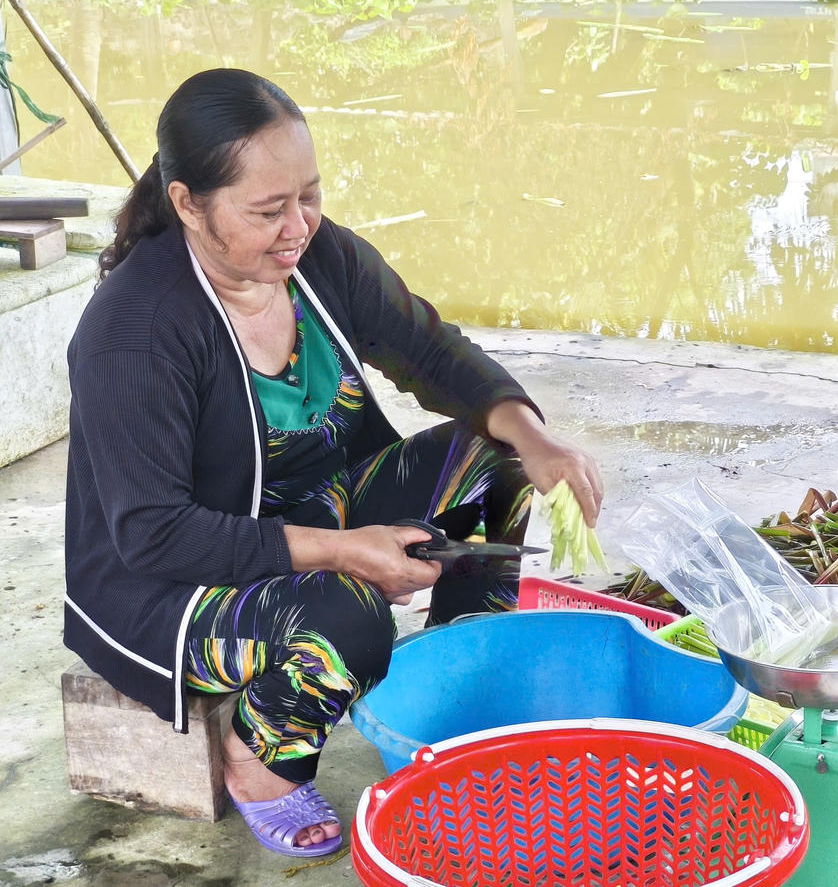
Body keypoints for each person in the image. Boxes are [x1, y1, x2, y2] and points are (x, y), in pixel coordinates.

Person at [65, 69, 603, 858]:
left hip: (307, 510)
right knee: (349, 612)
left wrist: (534, 434)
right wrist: (345, 552)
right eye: (268, 210)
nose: (299, 227)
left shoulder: (321, 258)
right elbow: (153, 533)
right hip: (172, 581)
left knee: (498, 457)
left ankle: (454, 672)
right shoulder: (136, 333)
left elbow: (429, 350)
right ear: (188, 203)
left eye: (309, 196)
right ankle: (261, 760)